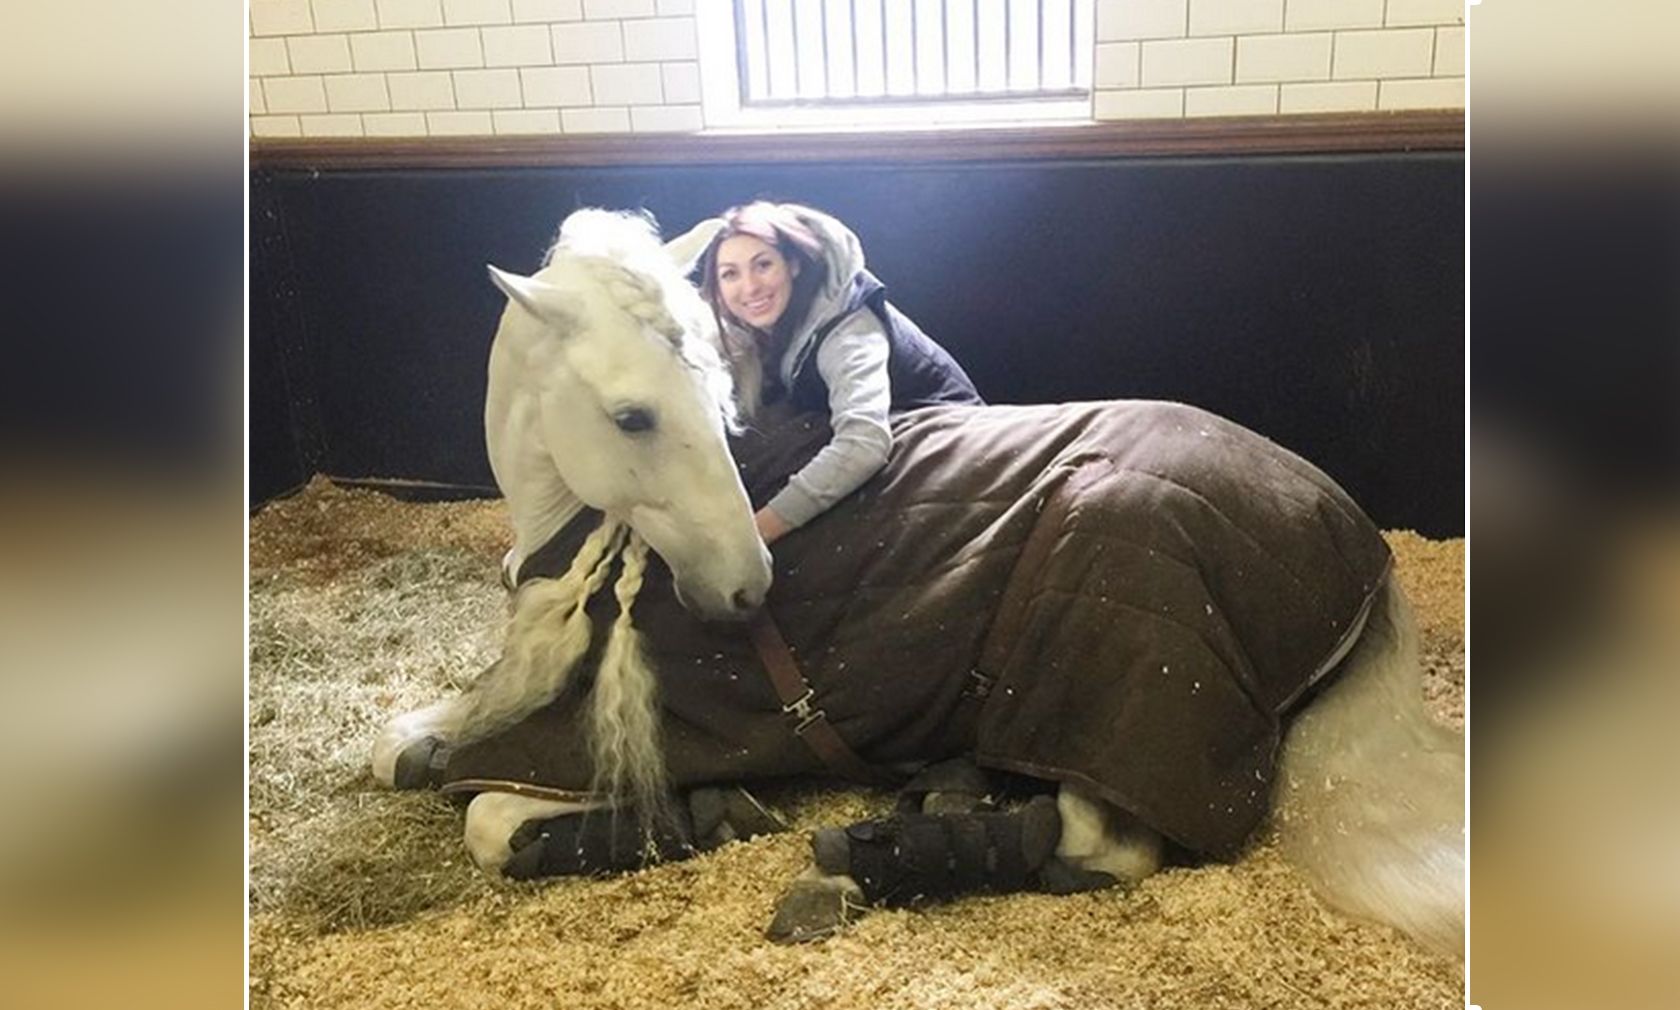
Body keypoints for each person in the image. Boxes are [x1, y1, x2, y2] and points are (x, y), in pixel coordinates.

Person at [697, 201, 982, 544]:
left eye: (763, 265)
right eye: (730, 273)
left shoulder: (848, 330)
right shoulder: (755, 324)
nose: (750, 286)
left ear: (794, 264)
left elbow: (864, 443)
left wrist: (755, 533)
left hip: (945, 440)